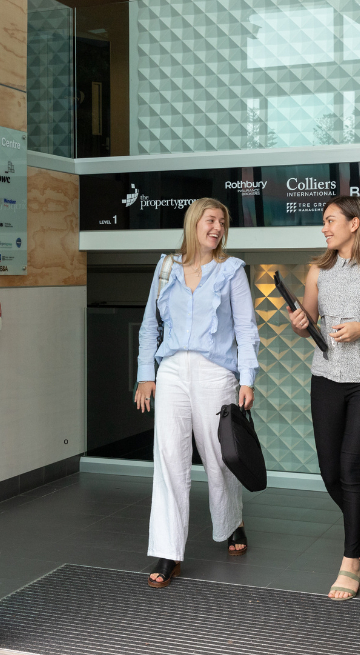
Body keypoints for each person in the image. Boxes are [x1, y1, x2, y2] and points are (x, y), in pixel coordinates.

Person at [134, 197, 260, 588]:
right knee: (170, 459)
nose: (217, 227)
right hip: (171, 371)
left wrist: (247, 378)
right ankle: (169, 550)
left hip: (215, 373)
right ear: (194, 223)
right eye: (211, 220)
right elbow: (148, 326)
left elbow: (245, 328)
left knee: (219, 457)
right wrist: (145, 374)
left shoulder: (232, 270)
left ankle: (231, 522)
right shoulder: (166, 267)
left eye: (222, 221)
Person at [287, 195, 360, 601]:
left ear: (354, 224)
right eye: (324, 222)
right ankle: (357, 518)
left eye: (330, 221)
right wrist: (300, 322)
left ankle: (351, 562)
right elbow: (309, 324)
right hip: (326, 376)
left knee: (351, 468)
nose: (325, 228)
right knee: (330, 471)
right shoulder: (319, 270)